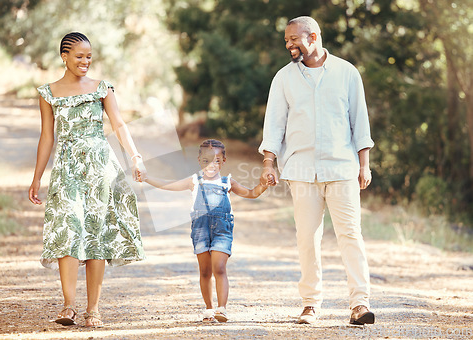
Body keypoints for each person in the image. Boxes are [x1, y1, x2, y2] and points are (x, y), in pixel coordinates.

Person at [259, 16, 375, 325]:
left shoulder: (347, 73)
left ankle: (359, 304)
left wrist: (365, 165)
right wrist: (268, 162)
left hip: (342, 167)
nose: (289, 44)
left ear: (313, 36)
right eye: (286, 40)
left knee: (351, 234)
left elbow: (359, 123)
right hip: (300, 169)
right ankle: (311, 303)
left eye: (293, 39)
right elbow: (274, 125)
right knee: (307, 238)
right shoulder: (283, 78)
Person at [28, 32, 146, 327]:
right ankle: (68, 306)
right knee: (66, 228)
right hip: (67, 167)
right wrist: (37, 177)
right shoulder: (48, 93)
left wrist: (135, 157)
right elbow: (47, 137)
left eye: (89, 56)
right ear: (64, 57)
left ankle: (93, 309)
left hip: (99, 167)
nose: (85, 61)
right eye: (79, 56)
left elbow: (119, 124)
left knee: (96, 232)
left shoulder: (102, 89)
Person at [139, 139, 268, 323]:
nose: (212, 165)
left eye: (217, 160)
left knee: (219, 268)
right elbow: (169, 184)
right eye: (206, 160)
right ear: (199, 160)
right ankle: (208, 309)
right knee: (205, 271)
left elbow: (251, 193)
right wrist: (146, 178)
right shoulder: (194, 181)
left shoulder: (227, 182)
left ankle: (221, 309)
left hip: (222, 231)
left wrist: (263, 185)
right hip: (201, 230)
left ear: (223, 161)